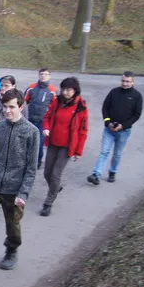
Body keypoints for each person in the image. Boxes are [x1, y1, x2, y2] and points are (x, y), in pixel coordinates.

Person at [0, 89, 39, 270]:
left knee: (13, 225)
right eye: (5, 107)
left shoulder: (31, 132)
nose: (7, 111)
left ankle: (12, 250)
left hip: (14, 189)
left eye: (12, 107)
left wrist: (23, 193)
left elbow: (31, 167)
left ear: (21, 107)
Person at [40, 77, 89, 217]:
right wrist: (46, 128)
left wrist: (78, 151)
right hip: (53, 142)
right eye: (64, 89)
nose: (65, 92)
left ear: (75, 91)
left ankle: (48, 202)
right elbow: (47, 117)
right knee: (47, 173)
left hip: (67, 146)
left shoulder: (81, 107)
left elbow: (83, 131)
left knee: (56, 174)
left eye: (69, 90)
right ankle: (56, 188)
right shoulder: (56, 101)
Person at [87, 71, 143, 185]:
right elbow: (105, 108)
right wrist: (108, 123)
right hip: (109, 129)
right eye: (123, 81)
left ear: (133, 82)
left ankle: (112, 171)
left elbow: (136, 115)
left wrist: (123, 125)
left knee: (117, 154)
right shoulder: (114, 92)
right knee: (104, 152)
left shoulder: (137, 96)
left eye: (128, 81)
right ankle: (96, 175)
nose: (125, 84)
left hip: (124, 131)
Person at [24, 68, 58, 170]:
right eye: (41, 74)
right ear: (39, 75)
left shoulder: (53, 90)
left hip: (43, 121)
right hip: (30, 119)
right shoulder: (31, 88)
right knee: (28, 141)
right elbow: (24, 102)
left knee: (39, 143)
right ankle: (26, 160)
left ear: (49, 76)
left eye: (46, 74)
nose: (43, 76)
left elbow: (56, 107)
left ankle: (37, 161)